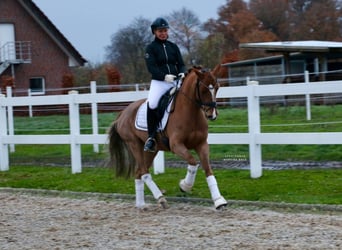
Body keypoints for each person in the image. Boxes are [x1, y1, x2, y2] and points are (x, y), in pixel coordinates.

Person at [143, 17, 186, 152]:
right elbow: (151, 68)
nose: (163, 33)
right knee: (153, 103)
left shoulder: (173, 47)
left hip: (175, 81)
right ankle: (150, 137)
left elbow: (181, 63)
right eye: (160, 31)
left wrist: (182, 72)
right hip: (159, 83)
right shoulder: (151, 48)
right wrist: (163, 76)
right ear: (154, 32)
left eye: (165, 30)